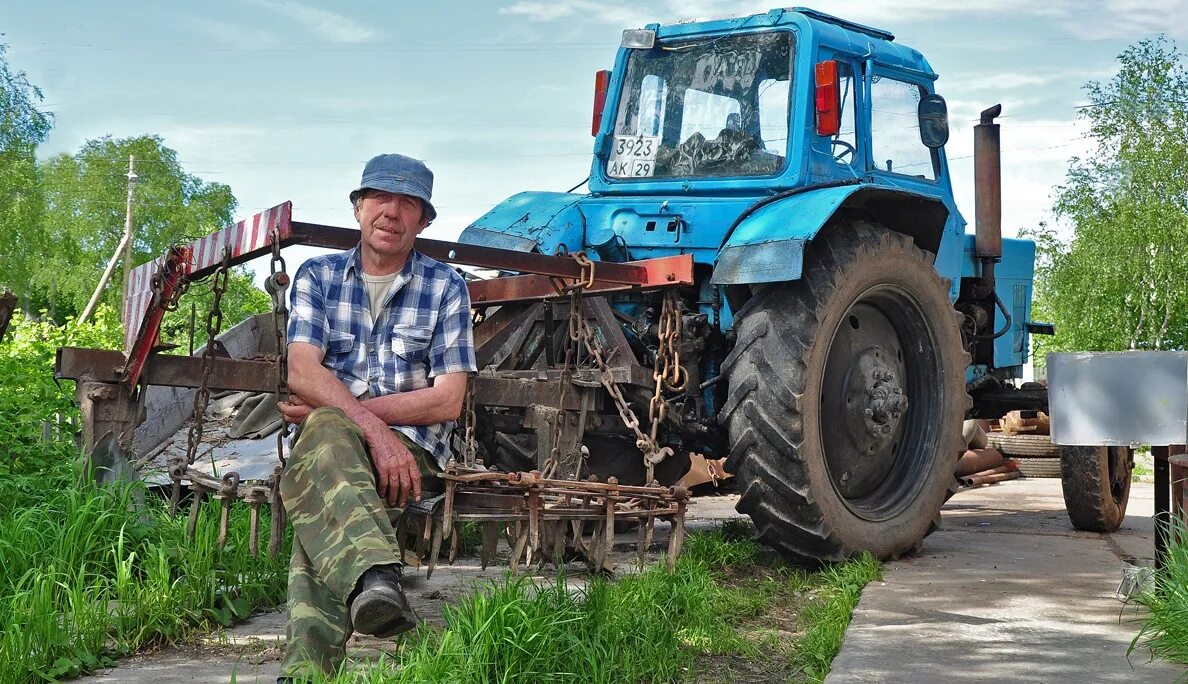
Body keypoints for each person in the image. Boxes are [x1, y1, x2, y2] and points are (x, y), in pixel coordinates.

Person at [273, 153, 477, 680]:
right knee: (327, 438)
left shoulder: (446, 287)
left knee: (322, 436)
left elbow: (447, 399)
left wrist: (358, 419)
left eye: (408, 203)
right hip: (346, 446)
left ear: (425, 221)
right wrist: (371, 428)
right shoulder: (317, 276)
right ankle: (376, 580)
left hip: (412, 458)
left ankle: (307, 672)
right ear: (359, 208)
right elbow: (301, 370)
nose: (392, 212)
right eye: (380, 198)